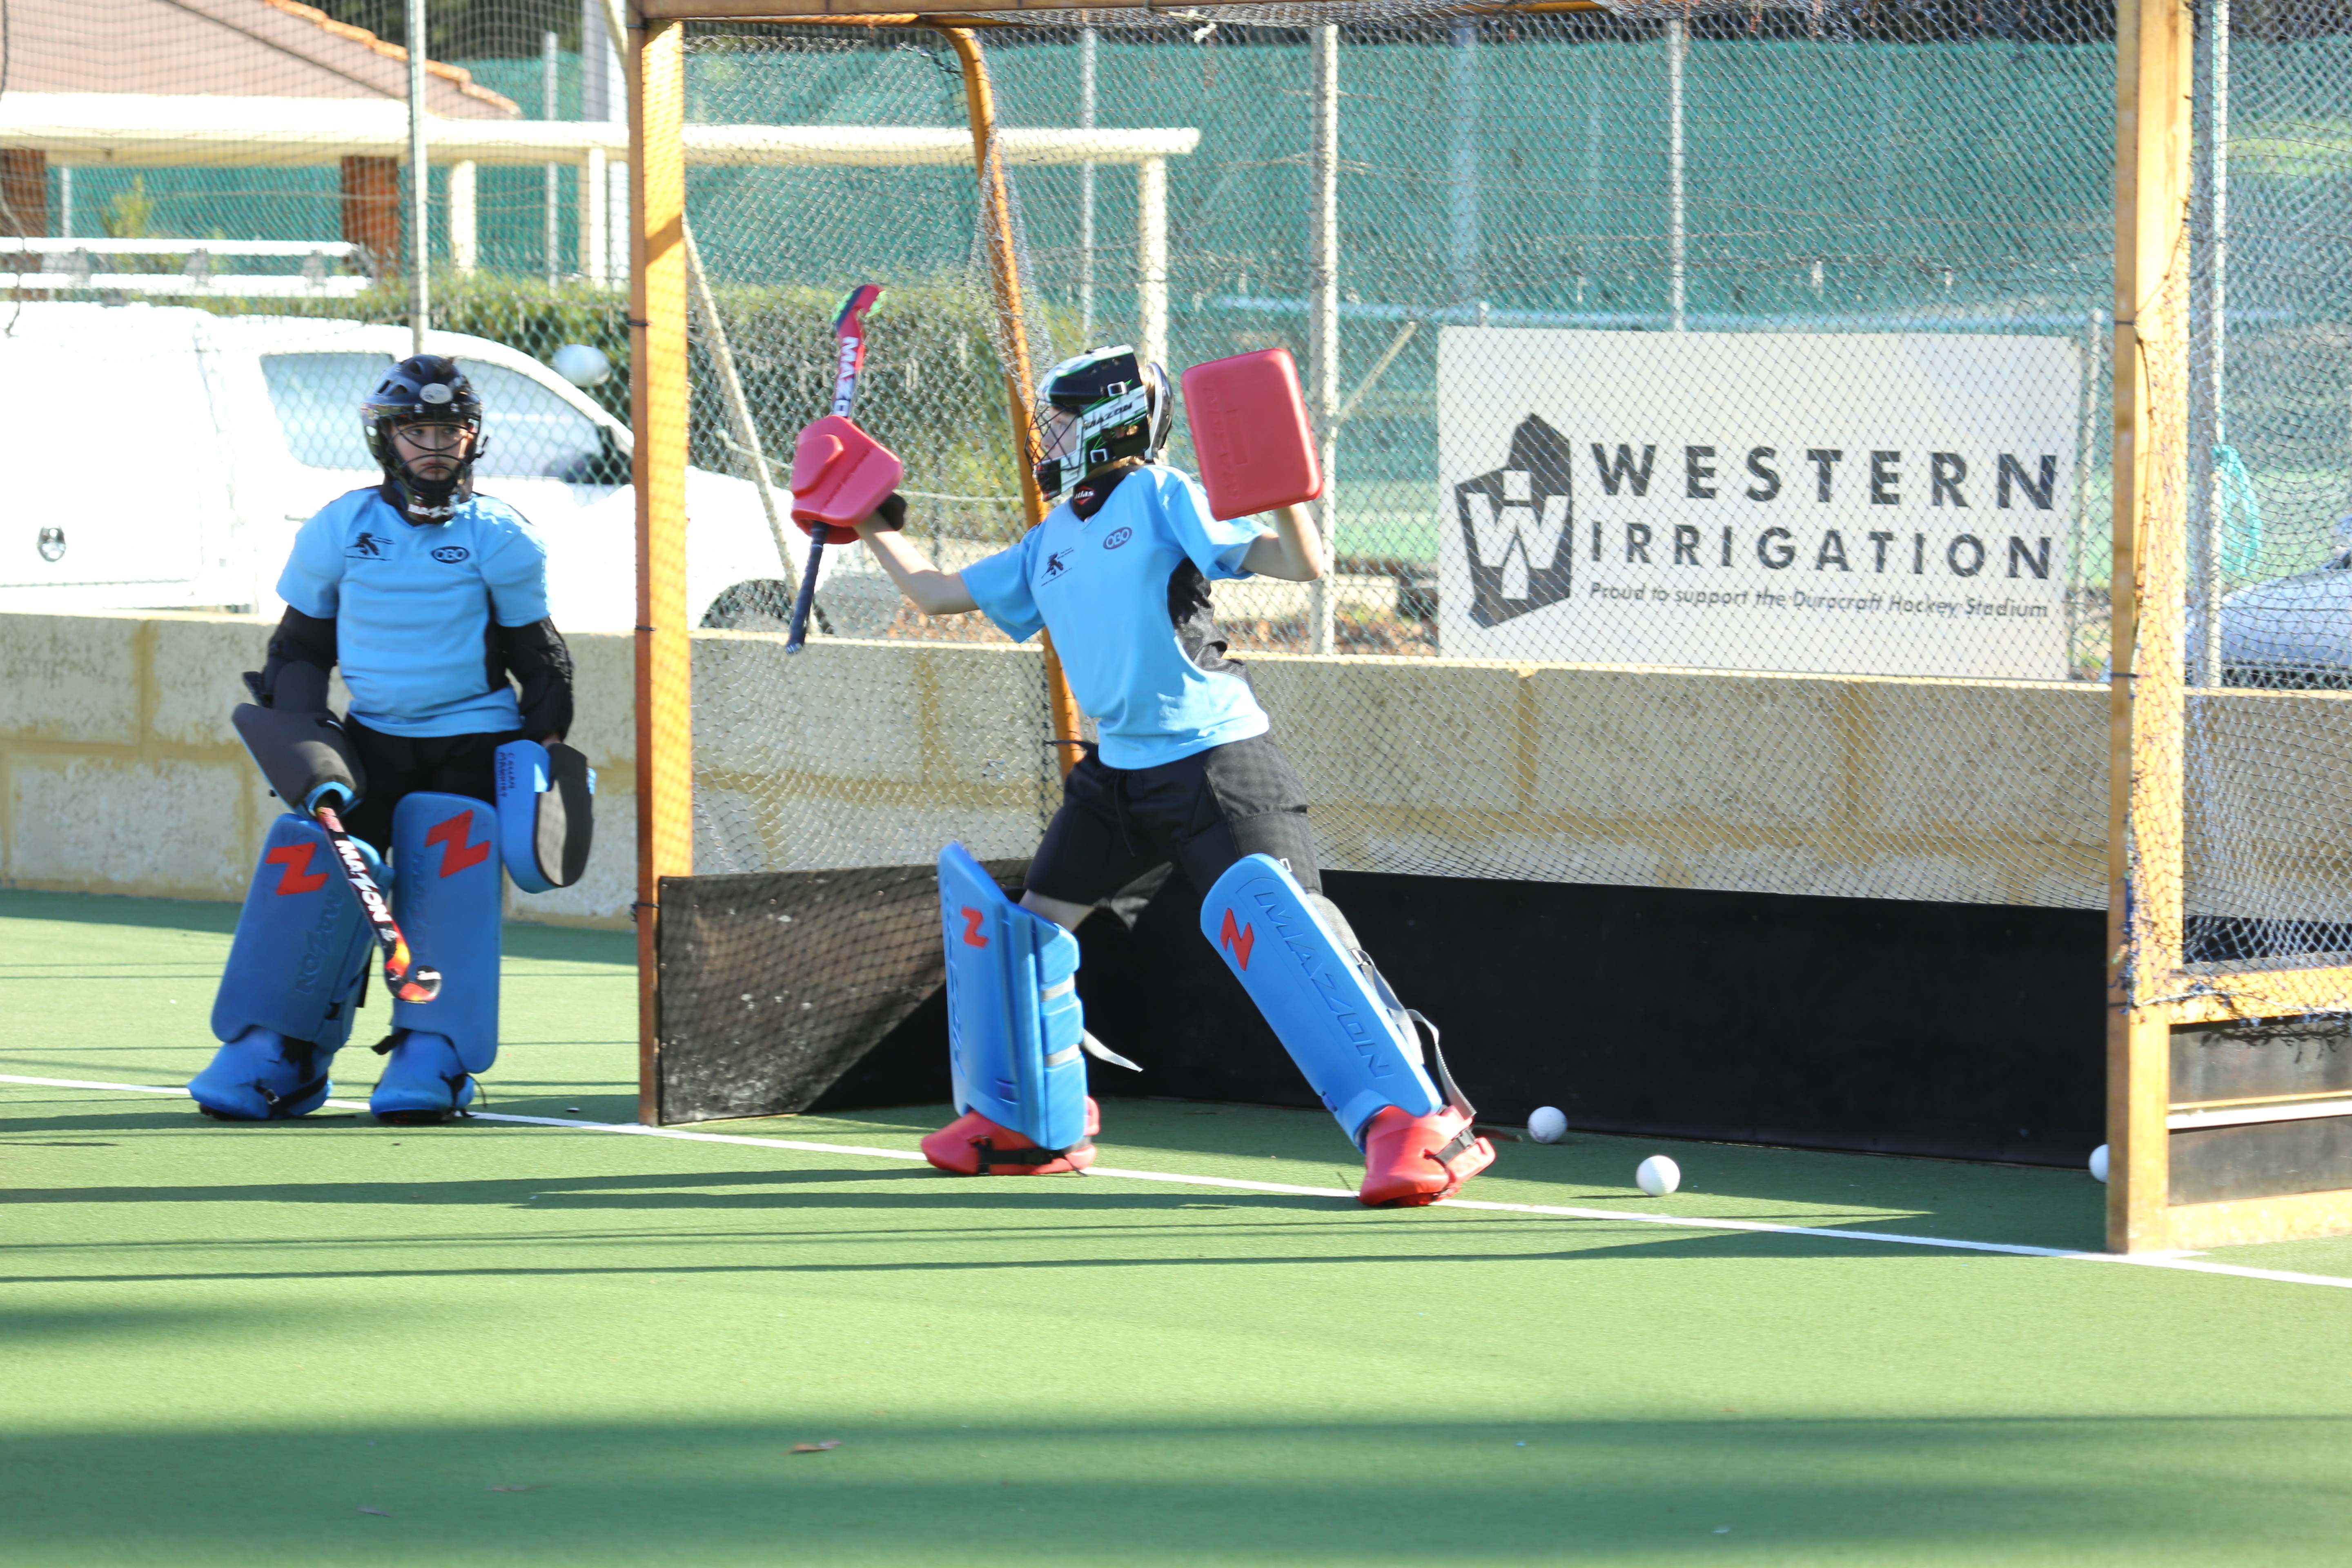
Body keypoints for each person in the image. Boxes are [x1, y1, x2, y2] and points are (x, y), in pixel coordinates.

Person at [842, 345, 1494, 1206]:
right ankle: (1030, 1125)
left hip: (1216, 761)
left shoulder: (1161, 493)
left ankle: (1422, 1125)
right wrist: (866, 517)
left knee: (1297, 940)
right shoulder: (1051, 539)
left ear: (1112, 423)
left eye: (1063, 419)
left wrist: (1286, 496)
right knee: (1027, 935)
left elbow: (1301, 564)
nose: (1047, 435)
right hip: (1116, 776)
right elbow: (934, 594)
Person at [187, 355, 580, 1125]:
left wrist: (542, 760)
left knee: (447, 885)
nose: (434, 448)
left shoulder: (501, 535)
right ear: (386, 439)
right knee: (318, 871)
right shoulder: (340, 527)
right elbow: (299, 651)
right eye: (416, 432)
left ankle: (433, 1053)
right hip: (370, 743)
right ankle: (282, 1052)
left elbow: (542, 661)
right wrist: (308, 747)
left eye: (450, 432)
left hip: (473, 743)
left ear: (473, 438)